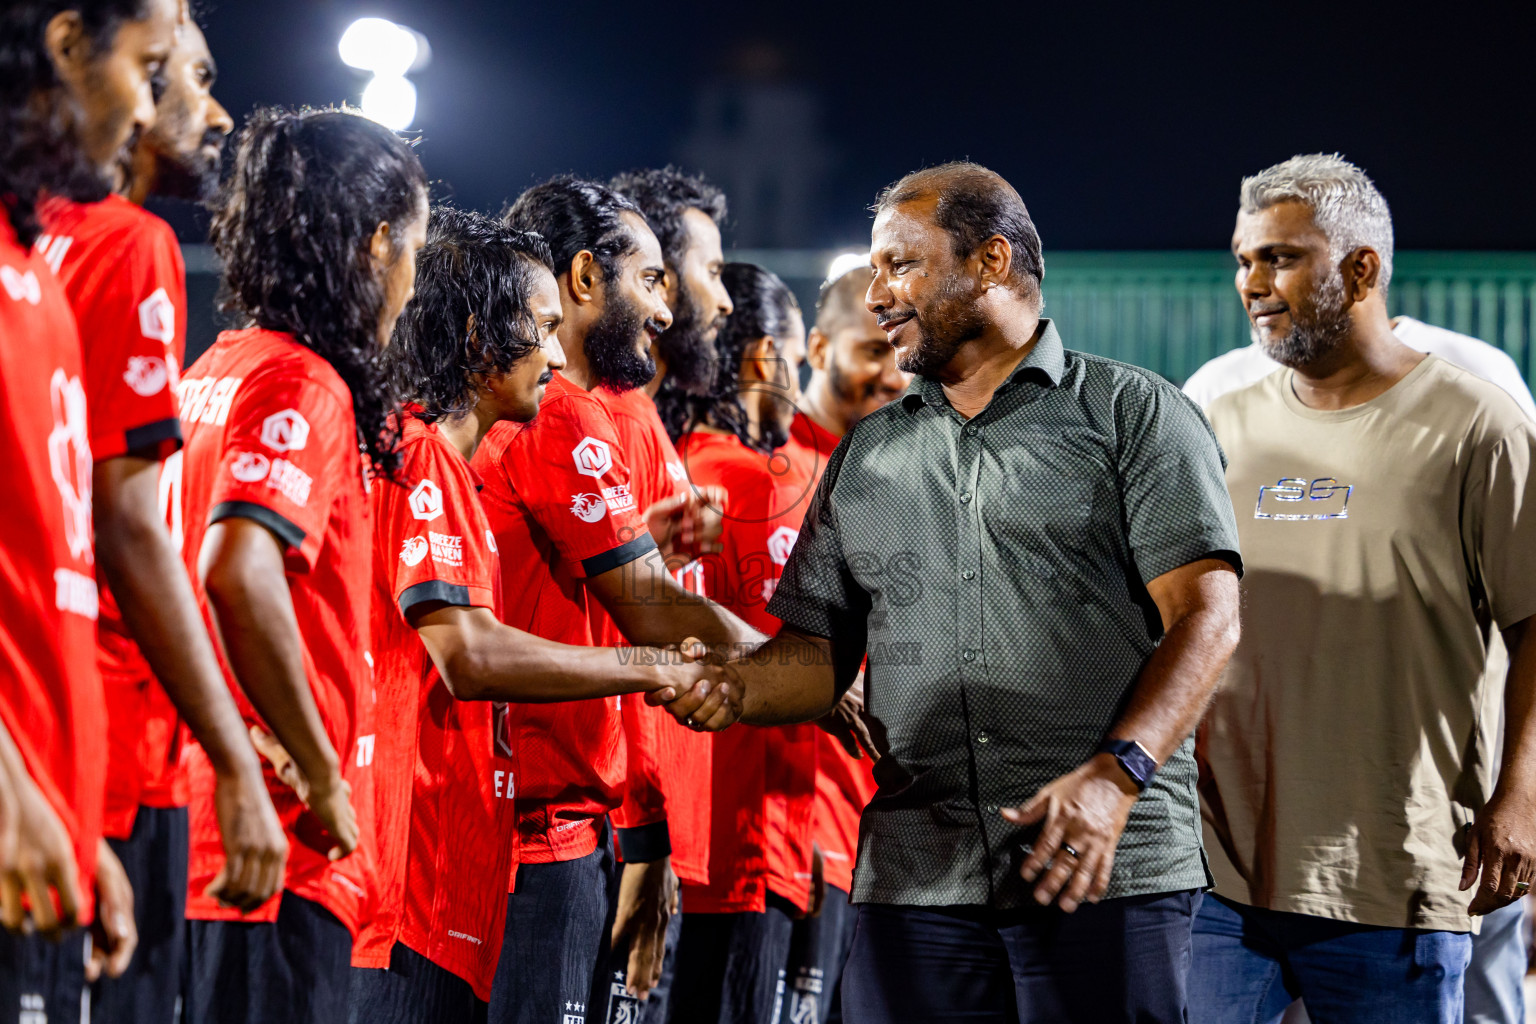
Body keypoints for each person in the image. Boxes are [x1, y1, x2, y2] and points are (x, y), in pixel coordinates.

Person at [661, 161, 1245, 1023]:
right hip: (916, 883)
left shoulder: (1134, 414)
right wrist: (735, 685)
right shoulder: (869, 455)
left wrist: (1118, 776)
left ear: (991, 261)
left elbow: (1208, 617)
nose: (878, 295)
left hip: (1098, 867)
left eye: (901, 265)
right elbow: (817, 659)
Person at [348, 206, 730, 1024]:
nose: (556, 356)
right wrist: (651, 664)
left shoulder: (424, 453)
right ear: (481, 338)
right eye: (542, 329)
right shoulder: (423, 456)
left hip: (459, 850)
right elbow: (471, 655)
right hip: (431, 863)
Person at [1189, 153, 1536, 1024]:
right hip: (1218, 874)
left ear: (1360, 269)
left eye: (1279, 258)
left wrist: (1522, 796)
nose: (1252, 283)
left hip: (1395, 872)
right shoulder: (1217, 421)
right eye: (1243, 260)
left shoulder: (1478, 423)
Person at [39, 17, 287, 1021]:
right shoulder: (131, 243)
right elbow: (132, 528)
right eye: (178, 74)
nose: (214, 113)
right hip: (110, 748)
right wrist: (234, 755)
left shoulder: (34, 238)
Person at [480, 177, 759, 1024]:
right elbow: (652, 611)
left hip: (543, 820)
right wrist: (809, 677)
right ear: (583, 279)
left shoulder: (568, 408)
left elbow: (606, 590)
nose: (668, 308)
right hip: (539, 829)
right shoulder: (566, 413)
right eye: (651, 280)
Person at [174, 107, 428, 1024]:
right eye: (413, 249)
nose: (412, 283)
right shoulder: (302, 383)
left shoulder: (218, 367)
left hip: (201, 823)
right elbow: (237, 570)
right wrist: (323, 775)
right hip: (275, 839)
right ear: (376, 244)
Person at [0, 1, 176, 1019]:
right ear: (65, 43)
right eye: (147, 69)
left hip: (46, 821)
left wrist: (72, 820)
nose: (149, 111)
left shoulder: (32, 266)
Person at [665, 262, 818, 1024]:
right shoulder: (763, 486)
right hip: (747, 840)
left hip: (672, 842)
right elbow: (795, 663)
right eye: (799, 358)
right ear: (765, 359)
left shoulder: (676, 466)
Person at [603, 165, 735, 1023]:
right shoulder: (599, 420)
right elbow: (615, 646)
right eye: (708, 272)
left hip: (653, 834)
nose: (722, 300)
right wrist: (645, 843)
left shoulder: (645, 420)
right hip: (614, 838)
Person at [776, 261, 910, 1024]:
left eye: (901, 350)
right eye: (872, 349)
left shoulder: (898, 477)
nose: (893, 374)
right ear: (820, 347)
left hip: (878, 843)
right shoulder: (770, 474)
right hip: (792, 838)